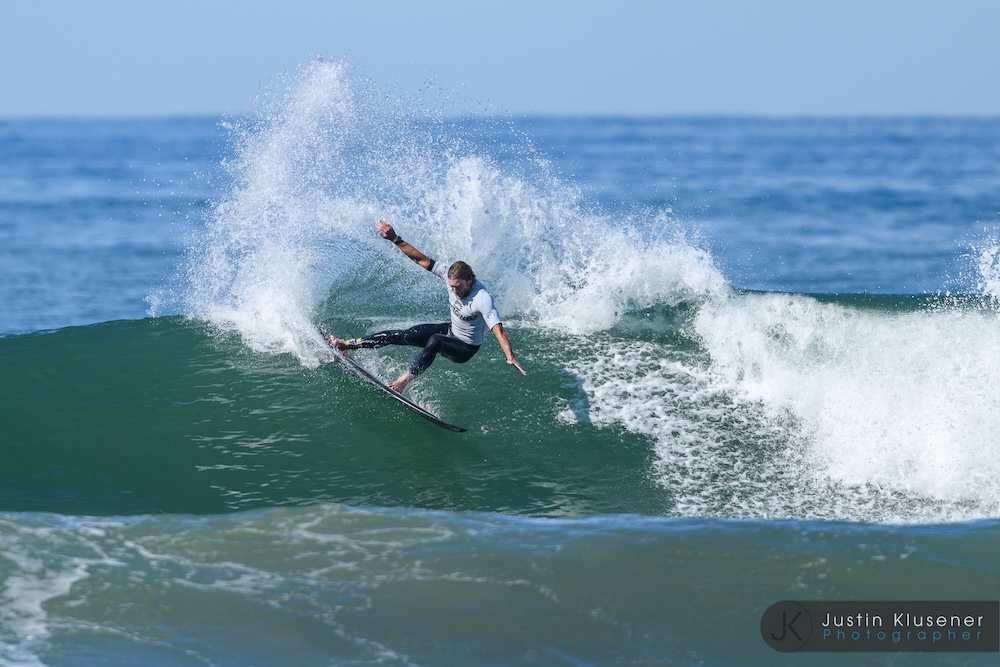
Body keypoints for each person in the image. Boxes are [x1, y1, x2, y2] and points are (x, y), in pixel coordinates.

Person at [327, 219, 527, 393]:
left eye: (458, 287)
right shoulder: (449, 273)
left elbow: (498, 330)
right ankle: (347, 344)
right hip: (451, 330)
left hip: (465, 347)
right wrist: (394, 238)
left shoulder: (482, 298)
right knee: (404, 334)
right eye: (451, 287)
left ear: (470, 279)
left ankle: (401, 383)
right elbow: (420, 259)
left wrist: (510, 356)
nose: (454, 291)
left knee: (436, 340)